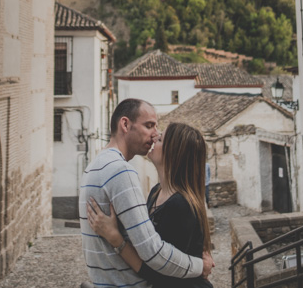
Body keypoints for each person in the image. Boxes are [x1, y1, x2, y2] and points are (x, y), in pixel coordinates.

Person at [80, 99, 213, 288]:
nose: (154, 135)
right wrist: (201, 266)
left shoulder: (95, 166)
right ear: (125, 124)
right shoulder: (130, 177)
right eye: (149, 126)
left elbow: (155, 259)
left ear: (175, 153)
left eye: (159, 136)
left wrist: (116, 238)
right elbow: (153, 252)